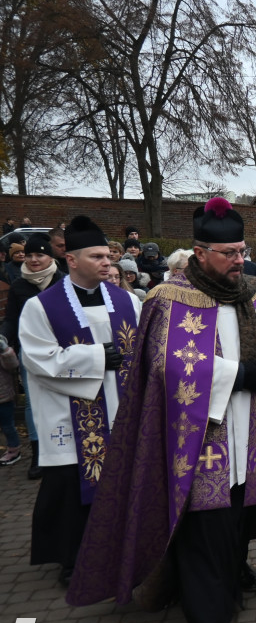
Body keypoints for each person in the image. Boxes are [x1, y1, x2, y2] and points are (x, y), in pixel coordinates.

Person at [66, 197, 256, 623]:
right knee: (205, 530)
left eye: (242, 251)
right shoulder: (169, 297)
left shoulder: (251, 289)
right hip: (201, 438)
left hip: (252, 429)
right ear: (200, 252)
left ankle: (233, 577)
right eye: (228, 253)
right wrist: (240, 375)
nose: (238, 261)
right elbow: (166, 366)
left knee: (240, 517)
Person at [20, 216, 142, 586]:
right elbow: (39, 361)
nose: (107, 263)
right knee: (73, 490)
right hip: (70, 414)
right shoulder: (42, 307)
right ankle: (72, 559)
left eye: (108, 256)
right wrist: (97, 358)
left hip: (120, 410)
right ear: (71, 260)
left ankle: (120, 549)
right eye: (97, 257)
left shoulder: (127, 302)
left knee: (119, 482)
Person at [2, 232, 64, 479]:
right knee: (32, 401)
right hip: (31, 352)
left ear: (50, 257)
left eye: (40, 254)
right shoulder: (19, 285)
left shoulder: (63, 281)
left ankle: (62, 449)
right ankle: (38, 453)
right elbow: (12, 320)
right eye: (29, 255)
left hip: (61, 351)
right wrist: (6, 339)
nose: (34, 260)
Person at [0, 335, 23, 466]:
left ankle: (14, 450)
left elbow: (12, 365)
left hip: (3, 397)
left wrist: (4, 350)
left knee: (7, 426)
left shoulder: (2, 345)